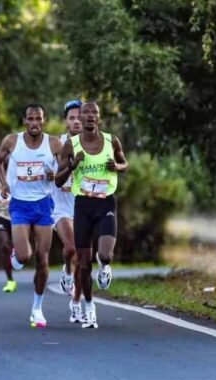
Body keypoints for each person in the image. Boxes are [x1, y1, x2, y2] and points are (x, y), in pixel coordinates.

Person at [55, 101, 128, 329]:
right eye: (84, 113)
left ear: (98, 117)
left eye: (92, 113)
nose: (87, 117)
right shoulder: (70, 144)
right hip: (82, 204)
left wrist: (117, 167)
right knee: (83, 263)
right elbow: (58, 180)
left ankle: (104, 265)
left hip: (106, 201)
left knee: (105, 254)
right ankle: (89, 307)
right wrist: (72, 167)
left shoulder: (111, 140)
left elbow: (124, 162)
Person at [0, 103, 61, 328]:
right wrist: (4, 183)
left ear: (44, 120)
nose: (35, 123)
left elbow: (65, 172)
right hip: (20, 205)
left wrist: (55, 174)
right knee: (24, 257)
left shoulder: (54, 143)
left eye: (38, 119)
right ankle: (16, 256)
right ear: (24, 121)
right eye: (30, 119)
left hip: (44, 205)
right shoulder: (12, 141)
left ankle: (37, 309)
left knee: (43, 260)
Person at [52, 99, 84, 323]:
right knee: (71, 248)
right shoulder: (57, 145)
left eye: (80, 117)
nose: (76, 121)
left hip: (84, 206)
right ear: (66, 122)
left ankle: (76, 302)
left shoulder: (95, 145)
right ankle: (66, 271)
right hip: (60, 207)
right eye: (72, 118)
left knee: (84, 257)